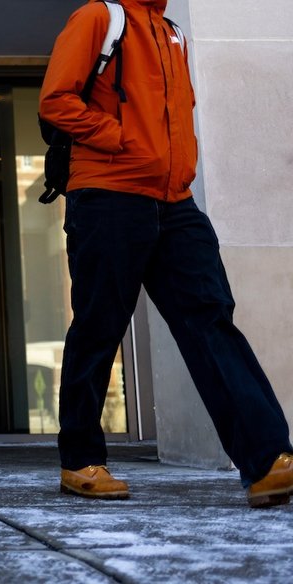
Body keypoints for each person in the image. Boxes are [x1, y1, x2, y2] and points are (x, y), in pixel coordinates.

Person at [39, 0, 293, 508]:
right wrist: (122, 139)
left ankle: (267, 461)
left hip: (175, 202)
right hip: (109, 195)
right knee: (99, 325)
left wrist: (180, 163)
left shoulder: (170, 30)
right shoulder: (99, 18)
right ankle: (80, 460)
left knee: (212, 320)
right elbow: (57, 100)